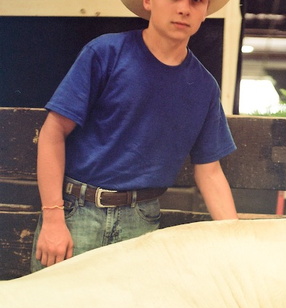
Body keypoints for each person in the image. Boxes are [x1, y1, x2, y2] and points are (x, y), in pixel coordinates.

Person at [31, 0, 238, 272]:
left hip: (140, 219)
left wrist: (237, 242)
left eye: (196, 1)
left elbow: (209, 172)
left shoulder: (204, 87)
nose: (184, 8)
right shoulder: (105, 53)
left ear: (204, 11)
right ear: (148, 2)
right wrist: (53, 218)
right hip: (75, 212)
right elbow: (52, 132)